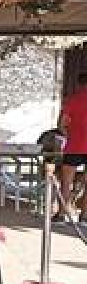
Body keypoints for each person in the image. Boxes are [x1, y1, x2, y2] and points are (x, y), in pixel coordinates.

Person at [57, 71, 87, 220]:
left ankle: (62, 213)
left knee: (66, 182)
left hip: (74, 145)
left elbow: (62, 124)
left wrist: (68, 135)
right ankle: (85, 214)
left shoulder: (72, 100)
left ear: (79, 84)